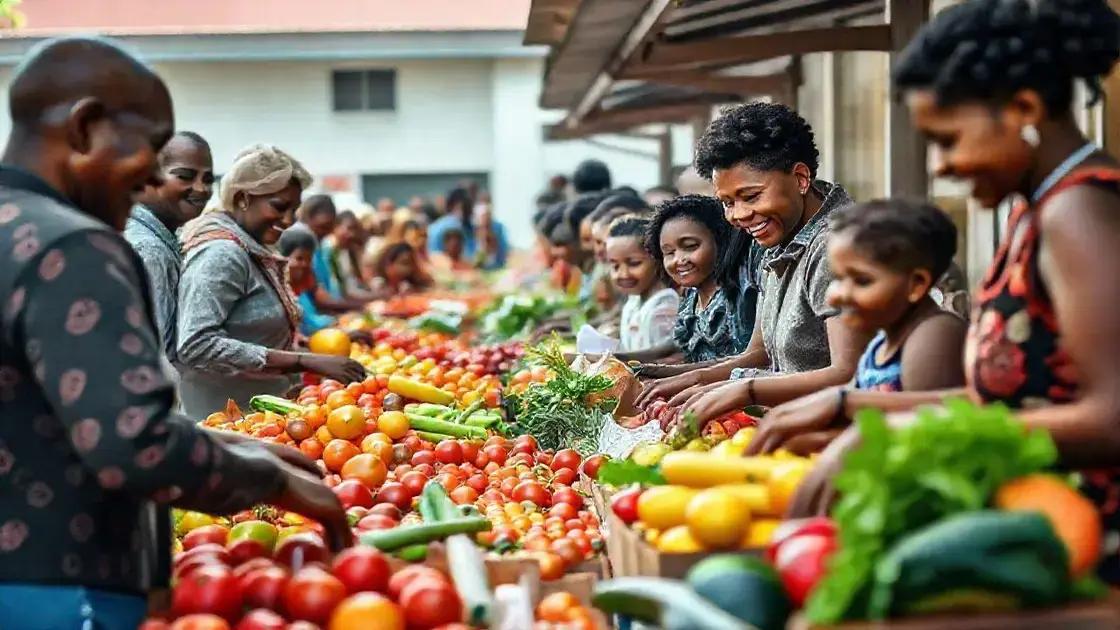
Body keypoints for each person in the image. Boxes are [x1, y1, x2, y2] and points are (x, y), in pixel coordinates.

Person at [0, 36, 348, 629]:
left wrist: (241, 444)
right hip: (63, 580)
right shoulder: (75, 246)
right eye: (151, 151)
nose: (152, 178)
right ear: (85, 128)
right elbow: (132, 444)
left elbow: (59, 410)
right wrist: (276, 483)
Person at [774, 1, 1120, 586]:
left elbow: (1111, 418)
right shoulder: (1038, 212)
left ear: (1024, 109)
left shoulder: (1077, 212)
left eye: (948, 139)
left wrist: (906, 428)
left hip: (1092, 551)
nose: (940, 167)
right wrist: (847, 407)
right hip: (1038, 536)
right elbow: (1006, 408)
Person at [636, 102, 870, 425]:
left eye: (751, 196)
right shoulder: (777, 239)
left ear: (801, 178)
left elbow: (848, 373)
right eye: (728, 203)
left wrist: (746, 391)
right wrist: (684, 378)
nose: (738, 216)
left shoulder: (838, 247)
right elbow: (757, 355)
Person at [176, 145, 367, 418]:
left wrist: (307, 350)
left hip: (258, 413)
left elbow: (253, 331)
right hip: (224, 419)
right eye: (279, 207)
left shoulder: (250, 246)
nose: (289, 220)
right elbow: (196, 344)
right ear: (242, 198)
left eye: (294, 210)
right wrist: (302, 361)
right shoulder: (221, 253)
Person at [124, 130, 214, 361]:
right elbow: (152, 357)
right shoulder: (150, 250)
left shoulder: (149, 235)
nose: (201, 188)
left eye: (208, 179)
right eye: (185, 176)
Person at [648, 194, 745, 364]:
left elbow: (744, 360)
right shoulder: (690, 297)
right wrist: (616, 358)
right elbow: (678, 349)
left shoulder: (735, 296)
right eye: (669, 252)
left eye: (690, 246)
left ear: (720, 241)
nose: (678, 260)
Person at [606, 217, 680, 361]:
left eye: (634, 263)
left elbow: (661, 357)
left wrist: (597, 358)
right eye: (615, 266)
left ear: (657, 259)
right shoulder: (634, 300)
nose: (623, 274)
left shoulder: (665, 304)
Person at [278, 228, 337, 336]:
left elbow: (311, 321)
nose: (305, 264)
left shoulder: (301, 293)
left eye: (309, 260)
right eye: (299, 259)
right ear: (283, 259)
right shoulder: (279, 293)